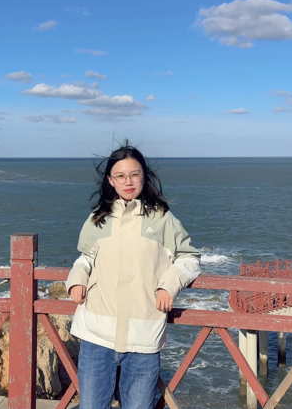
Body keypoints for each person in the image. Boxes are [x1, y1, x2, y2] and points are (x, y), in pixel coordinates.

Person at [67, 141, 201, 409]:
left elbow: (189, 258)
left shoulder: (162, 218)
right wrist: (77, 279)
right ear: (110, 180)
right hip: (96, 336)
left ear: (144, 175)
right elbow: (85, 258)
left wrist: (168, 286)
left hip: (143, 339)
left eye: (134, 174)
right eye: (120, 175)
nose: (128, 181)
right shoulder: (98, 218)